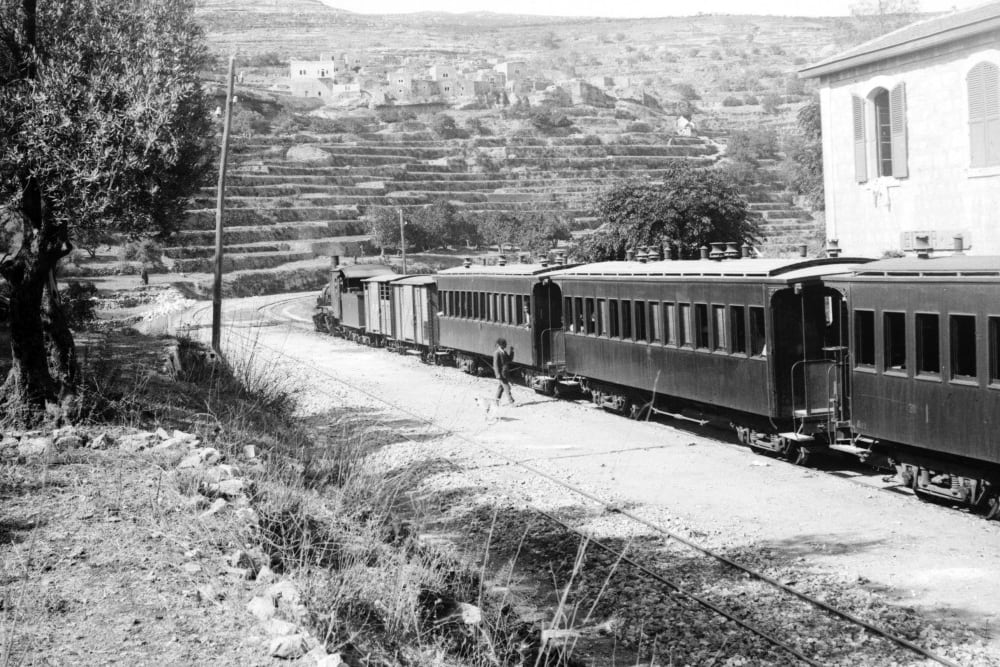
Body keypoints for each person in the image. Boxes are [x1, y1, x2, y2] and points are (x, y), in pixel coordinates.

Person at [493, 337, 515, 406]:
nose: (506, 345)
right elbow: (495, 365)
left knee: (501, 387)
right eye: (504, 344)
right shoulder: (497, 353)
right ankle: (511, 402)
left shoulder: (504, 352)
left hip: (505, 373)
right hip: (501, 374)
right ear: (500, 345)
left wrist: (511, 351)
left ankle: (496, 401)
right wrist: (498, 374)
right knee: (507, 387)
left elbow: (509, 360)